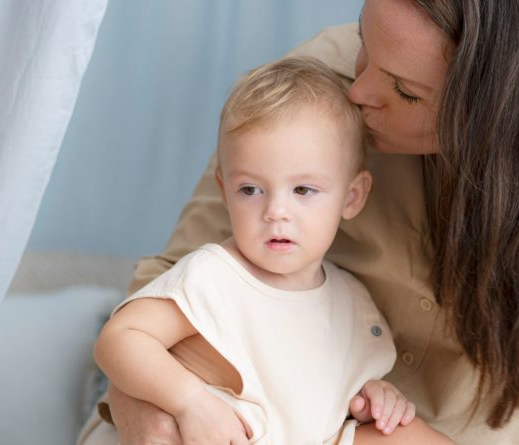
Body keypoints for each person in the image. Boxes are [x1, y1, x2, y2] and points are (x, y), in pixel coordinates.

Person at [79, 0, 519, 443]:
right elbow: (167, 292)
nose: (360, 92)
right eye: (367, 40)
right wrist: (154, 410)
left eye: (407, 94)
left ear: (497, 124)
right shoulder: (316, 95)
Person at [91, 56, 453, 444]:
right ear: (225, 192)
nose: (276, 212)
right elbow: (120, 337)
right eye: (251, 190)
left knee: (408, 434)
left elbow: (327, 398)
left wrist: (372, 398)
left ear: (351, 198)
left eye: (303, 190)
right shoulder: (215, 275)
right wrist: (189, 402)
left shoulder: (351, 299)